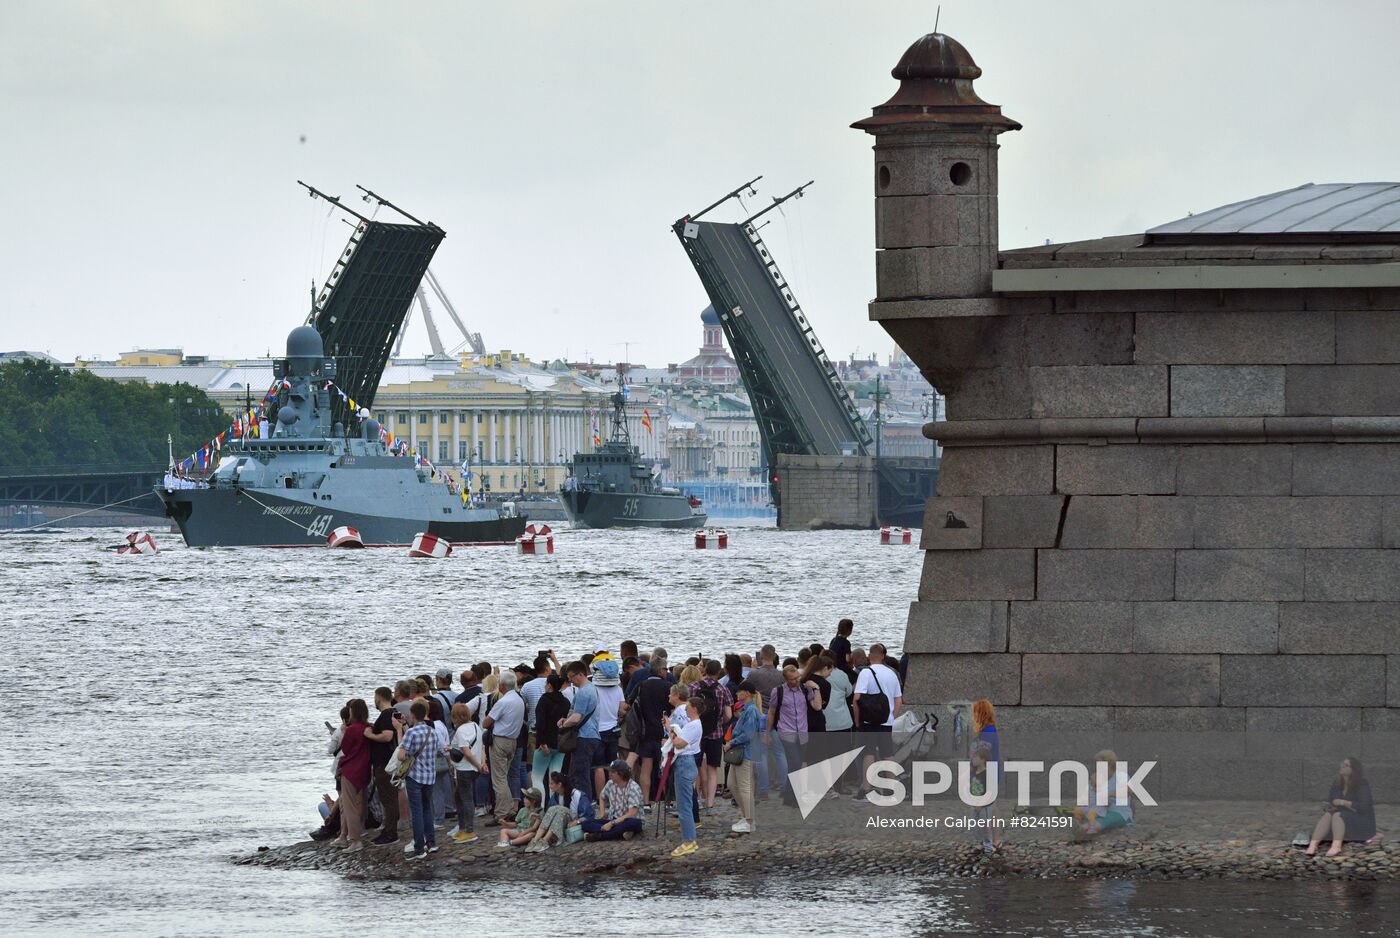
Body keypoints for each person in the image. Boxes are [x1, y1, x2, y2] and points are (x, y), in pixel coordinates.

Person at [852, 643, 902, 800]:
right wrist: (891, 716)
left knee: (868, 752)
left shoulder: (866, 673)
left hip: (869, 720)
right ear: (884, 656)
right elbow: (899, 700)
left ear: (869, 656)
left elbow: (857, 698)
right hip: (886, 720)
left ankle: (866, 788)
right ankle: (892, 788)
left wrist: (857, 721)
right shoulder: (892, 673)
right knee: (888, 752)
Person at [766, 664, 819, 806]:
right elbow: (771, 712)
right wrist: (768, 733)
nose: (796, 681)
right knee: (795, 762)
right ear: (785, 679)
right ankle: (793, 797)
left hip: (802, 731)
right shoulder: (778, 691)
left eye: (797, 678)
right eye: (793, 679)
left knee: (796, 763)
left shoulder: (804, 689)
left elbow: (817, 706)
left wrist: (816, 688)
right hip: (786, 731)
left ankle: (788, 795)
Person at [393, 698, 437, 860]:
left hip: (415, 776)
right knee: (427, 809)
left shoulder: (411, 732)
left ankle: (419, 847)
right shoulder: (432, 731)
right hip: (430, 776)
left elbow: (401, 754)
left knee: (417, 811)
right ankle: (431, 842)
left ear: (412, 715)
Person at [1307, 756, 1377, 856]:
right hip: (1343, 819)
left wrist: (1342, 802)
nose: (1342, 767)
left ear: (1353, 770)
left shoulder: (1362, 784)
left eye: (1346, 765)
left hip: (1362, 822)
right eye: (1342, 764)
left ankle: (1336, 846)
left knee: (1338, 815)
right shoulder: (1337, 784)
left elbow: (1364, 807)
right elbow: (1332, 801)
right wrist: (1329, 807)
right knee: (1328, 815)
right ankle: (1313, 845)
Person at [689, 659, 732, 812]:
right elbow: (728, 714)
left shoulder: (693, 686)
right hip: (716, 733)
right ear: (719, 672)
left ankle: (695, 801)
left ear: (705, 669)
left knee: (694, 767)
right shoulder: (722, 689)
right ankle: (710, 804)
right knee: (712, 769)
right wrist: (719, 722)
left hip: (696, 734)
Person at [483, 671, 525, 824]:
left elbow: (486, 722)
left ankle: (501, 813)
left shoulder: (503, 702)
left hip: (500, 741)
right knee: (505, 776)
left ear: (501, 686)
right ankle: (509, 809)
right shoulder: (519, 699)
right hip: (513, 740)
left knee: (499, 779)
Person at [666, 695, 705, 858]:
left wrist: (670, 729)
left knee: (684, 805)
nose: (685, 708)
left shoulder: (694, 725)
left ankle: (689, 841)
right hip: (686, 763)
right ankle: (689, 840)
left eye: (688, 706)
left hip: (684, 763)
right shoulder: (693, 724)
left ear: (694, 709)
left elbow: (679, 743)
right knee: (685, 803)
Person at [559, 660, 602, 797]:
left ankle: (583, 807)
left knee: (579, 775)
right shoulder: (592, 688)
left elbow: (577, 717)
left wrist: (563, 725)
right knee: (579, 774)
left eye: (572, 676)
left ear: (580, 674)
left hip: (584, 736)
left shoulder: (583, 692)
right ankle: (583, 804)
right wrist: (566, 719)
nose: (570, 681)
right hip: (591, 735)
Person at [365, 687, 401, 845]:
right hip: (389, 761)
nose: (374, 701)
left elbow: (387, 736)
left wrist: (370, 735)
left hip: (385, 763)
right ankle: (388, 829)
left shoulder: (386, 714)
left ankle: (391, 833)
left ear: (378, 698)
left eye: (375, 697)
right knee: (389, 798)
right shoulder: (394, 712)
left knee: (388, 799)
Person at [747, 646, 785, 797]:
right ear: (775, 656)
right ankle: (784, 788)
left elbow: (745, 689)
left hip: (760, 713)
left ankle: (763, 790)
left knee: (761, 754)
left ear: (761, 656)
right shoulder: (781, 675)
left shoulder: (754, 674)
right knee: (780, 754)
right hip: (777, 715)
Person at [724, 681, 762, 834]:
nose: (736, 694)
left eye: (739, 692)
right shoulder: (748, 709)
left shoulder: (751, 711)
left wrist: (731, 742)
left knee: (745, 787)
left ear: (746, 693)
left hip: (745, 753)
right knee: (732, 784)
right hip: (740, 752)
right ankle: (747, 816)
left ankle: (749, 820)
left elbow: (748, 734)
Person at [1073, 749, 1132, 843]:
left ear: (1109, 764)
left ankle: (1084, 830)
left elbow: (1127, 792)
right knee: (1087, 812)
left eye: (1100, 764)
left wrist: (1107, 793)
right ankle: (1081, 828)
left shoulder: (1121, 776)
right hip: (1099, 809)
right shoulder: (1096, 778)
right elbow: (1086, 796)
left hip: (1118, 811)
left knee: (1106, 819)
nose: (1097, 767)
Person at [336, 698, 372, 852]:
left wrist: (344, 733)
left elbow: (345, 748)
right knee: (358, 804)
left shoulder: (351, 729)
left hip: (350, 769)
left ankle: (355, 840)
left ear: (353, 712)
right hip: (364, 770)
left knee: (349, 806)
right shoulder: (369, 727)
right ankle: (350, 835)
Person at [447, 701, 485, 844]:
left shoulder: (461, 731)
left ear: (456, 717)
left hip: (465, 769)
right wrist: (482, 764)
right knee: (459, 796)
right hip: (474, 769)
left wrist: (479, 765)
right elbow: (481, 747)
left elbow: (467, 753)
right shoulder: (476, 726)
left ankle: (469, 830)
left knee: (466, 798)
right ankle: (462, 827)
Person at [529, 770, 595, 852]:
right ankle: (535, 840)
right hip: (562, 823)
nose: (549, 786)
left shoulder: (578, 795)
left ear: (559, 784)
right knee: (554, 808)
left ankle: (545, 841)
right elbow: (550, 814)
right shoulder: (556, 796)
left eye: (551, 783)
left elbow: (590, 815)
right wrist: (540, 817)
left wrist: (577, 821)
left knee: (560, 809)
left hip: (574, 824)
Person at [591, 649, 625, 795]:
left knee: (598, 766)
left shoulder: (593, 688)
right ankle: (614, 795)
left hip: (597, 730)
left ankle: (600, 797)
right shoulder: (618, 688)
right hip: (613, 729)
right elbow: (622, 710)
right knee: (612, 765)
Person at [582, 761, 645, 841]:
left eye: (613, 772)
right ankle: (620, 833)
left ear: (621, 774)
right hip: (613, 820)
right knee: (585, 824)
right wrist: (602, 813)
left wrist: (611, 824)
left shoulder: (633, 787)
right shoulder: (610, 783)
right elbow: (602, 797)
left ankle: (600, 836)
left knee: (632, 823)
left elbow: (632, 814)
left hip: (627, 820)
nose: (610, 773)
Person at [969, 699, 1001, 854]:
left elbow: (982, 756)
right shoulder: (988, 731)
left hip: (986, 776)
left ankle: (988, 842)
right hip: (987, 774)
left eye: (974, 713)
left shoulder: (988, 732)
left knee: (985, 809)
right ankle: (993, 840)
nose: (972, 716)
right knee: (991, 808)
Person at [532, 673, 570, 789]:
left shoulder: (544, 700)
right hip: (560, 744)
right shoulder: (566, 702)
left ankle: (539, 805)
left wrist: (542, 743)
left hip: (545, 744)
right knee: (555, 779)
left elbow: (540, 724)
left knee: (537, 778)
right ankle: (557, 805)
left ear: (549, 685)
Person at [426, 698, 453, 828]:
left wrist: (448, 759)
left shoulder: (434, 726)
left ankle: (438, 819)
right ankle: (438, 817)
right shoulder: (440, 724)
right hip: (443, 760)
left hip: (437, 760)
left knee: (435, 791)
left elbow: (442, 745)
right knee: (439, 789)